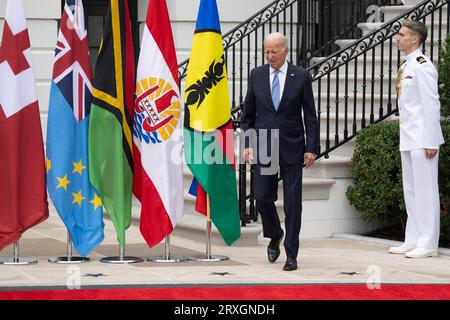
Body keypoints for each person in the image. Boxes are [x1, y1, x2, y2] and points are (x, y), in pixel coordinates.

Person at [240, 32, 318, 271]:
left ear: (285, 51)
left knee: (293, 203)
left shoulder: (301, 76)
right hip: (264, 144)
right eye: (266, 51)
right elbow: (247, 116)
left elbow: (310, 116)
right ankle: (275, 233)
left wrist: (311, 148)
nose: (270, 56)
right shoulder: (257, 75)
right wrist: (248, 143)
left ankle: (291, 254)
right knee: (262, 197)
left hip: (293, 146)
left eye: (274, 51)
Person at [389, 20, 445, 258]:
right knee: (411, 191)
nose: (397, 38)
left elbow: (432, 104)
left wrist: (431, 140)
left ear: (415, 39)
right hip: (409, 135)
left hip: (423, 137)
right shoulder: (407, 65)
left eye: (401, 34)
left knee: (425, 191)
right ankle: (412, 238)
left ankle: (428, 243)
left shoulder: (423, 66)